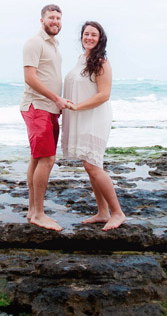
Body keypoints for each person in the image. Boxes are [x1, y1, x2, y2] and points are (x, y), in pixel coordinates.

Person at [61, 21, 126, 231]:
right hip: (81, 115)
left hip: (95, 117)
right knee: (90, 165)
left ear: (100, 38)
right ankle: (102, 212)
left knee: (93, 164)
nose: (89, 37)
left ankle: (117, 213)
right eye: (86, 34)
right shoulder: (82, 59)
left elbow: (104, 95)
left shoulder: (101, 61)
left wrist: (77, 106)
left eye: (93, 35)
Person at [20, 4, 72, 231]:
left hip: (49, 108)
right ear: (42, 20)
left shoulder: (55, 45)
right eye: (51, 17)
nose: (55, 21)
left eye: (59, 18)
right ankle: (39, 214)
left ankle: (32, 210)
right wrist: (56, 98)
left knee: (37, 158)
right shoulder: (35, 42)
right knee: (47, 159)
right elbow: (30, 77)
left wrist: (58, 102)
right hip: (37, 107)